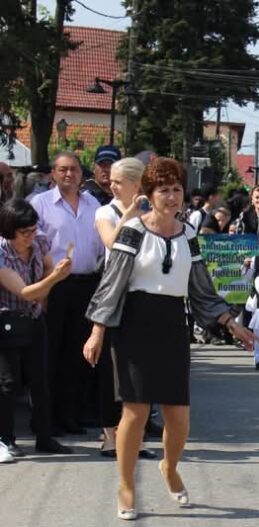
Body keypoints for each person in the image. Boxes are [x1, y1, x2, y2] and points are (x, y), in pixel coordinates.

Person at [83, 157, 256, 521]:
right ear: (149, 193)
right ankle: (127, 486)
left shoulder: (189, 236)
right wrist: (97, 330)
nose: (172, 196)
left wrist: (230, 323)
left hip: (172, 326)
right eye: (164, 189)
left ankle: (170, 467)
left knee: (179, 416)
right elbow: (111, 284)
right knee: (136, 411)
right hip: (133, 325)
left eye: (177, 189)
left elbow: (201, 290)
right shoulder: (132, 230)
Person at [29, 151, 107, 435]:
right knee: (50, 354)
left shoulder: (93, 204)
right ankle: (47, 418)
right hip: (53, 285)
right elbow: (30, 244)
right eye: (62, 169)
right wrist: (44, 285)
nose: (68, 174)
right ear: (53, 173)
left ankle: (71, 414)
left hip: (86, 284)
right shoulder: (39, 204)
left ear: (81, 174)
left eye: (73, 169)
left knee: (79, 353)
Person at [91, 157, 156, 459]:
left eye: (118, 181)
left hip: (144, 295)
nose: (111, 185)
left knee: (141, 368)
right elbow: (111, 242)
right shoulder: (105, 211)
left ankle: (137, 435)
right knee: (111, 368)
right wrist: (129, 213)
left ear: (136, 184)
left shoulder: (154, 212)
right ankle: (108, 433)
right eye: (111, 180)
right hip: (114, 293)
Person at [0, 200, 74, 459]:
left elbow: (46, 268)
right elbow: (24, 291)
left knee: (41, 380)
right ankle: (5, 439)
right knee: (8, 383)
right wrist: (54, 279)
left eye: (33, 230)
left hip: (33, 318)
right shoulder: (1, 252)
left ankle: (44, 436)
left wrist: (53, 275)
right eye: (24, 233)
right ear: (9, 230)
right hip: (6, 321)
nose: (31, 237)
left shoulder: (39, 241)